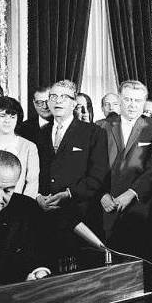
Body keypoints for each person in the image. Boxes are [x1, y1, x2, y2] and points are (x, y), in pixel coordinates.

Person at [36, 80, 108, 257]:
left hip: (82, 217)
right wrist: (38, 197)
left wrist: (69, 193)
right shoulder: (39, 133)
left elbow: (98, 176)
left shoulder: (93, 132)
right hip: (46, 218)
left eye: (63, 97)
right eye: (53, 96)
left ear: (74, 102)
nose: (57, 101)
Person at [100, 80, 152, 258]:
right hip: (106, 206)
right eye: (128, 99)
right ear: (120, 99)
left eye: (137, 101)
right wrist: (102, 194)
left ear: (144, 102)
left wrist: (130, 193)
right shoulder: (101, 126)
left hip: (140, 208)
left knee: (137, 264)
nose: (132, 105)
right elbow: (94, 166)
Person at [0, 150, 51, 284]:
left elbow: (38, 254)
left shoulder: (27, 208)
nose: (0, 198)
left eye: (7, 190)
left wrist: (39, 271)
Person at [0, 97, 39, 199]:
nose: (7, 121)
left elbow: (32, 183)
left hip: (17, 206)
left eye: (12, 117)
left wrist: (22, 207)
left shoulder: (29, 147)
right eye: (2, 115)